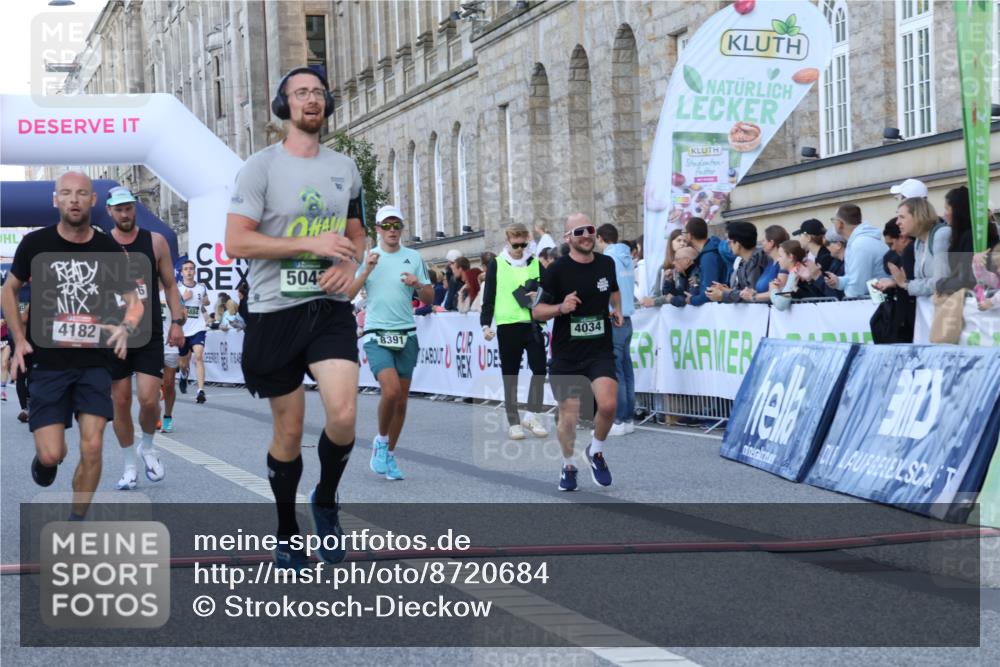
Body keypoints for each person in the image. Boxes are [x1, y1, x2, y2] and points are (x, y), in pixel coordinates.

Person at [225, 66, 367, 569]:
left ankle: (325, 500)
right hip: (273, 312)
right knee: (289, 432)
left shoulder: (345, 167)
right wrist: (309, 242)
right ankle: (287, 530)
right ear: (283, 106)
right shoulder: (259, 168)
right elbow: (236, 241)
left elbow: (357, 233)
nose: (311, 100)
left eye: (318, 93)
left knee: (344, 414)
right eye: (300, 93)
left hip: (328, 309)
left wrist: (349, 265)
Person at [1, 171, 142, 519]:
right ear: (56, 200)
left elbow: (134, 301)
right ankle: (46, 460)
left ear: (93, 200)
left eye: (82, 193)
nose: (74, 199)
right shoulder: (35, 244)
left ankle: (76, 522)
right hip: (47, 364)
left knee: (92, 445)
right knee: (53, 454)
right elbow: (8, 290)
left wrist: (127, 326)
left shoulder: (107, 247)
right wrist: (18, 340)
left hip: (94, 362)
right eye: (66, 193)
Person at [533, 213, 621, 492]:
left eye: (590, 229)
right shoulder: (557, 270)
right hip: (567, 356)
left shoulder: (607, 263)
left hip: (599, 350)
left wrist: (616, 308)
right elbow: (536, 312)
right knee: (569, 417)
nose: (586, 235)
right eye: (579, 231)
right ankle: (568, 464)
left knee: (607, 405)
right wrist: (560, 308)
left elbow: (614, 291)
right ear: (567, 238)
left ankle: (595, 452)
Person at [105, 186, 186, 491]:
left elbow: (170, 285)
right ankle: (129, 467)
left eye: (129, 208)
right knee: (121, 401)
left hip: (149, 331)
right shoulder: (101, 245)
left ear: (134, 209)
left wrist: (177, 321)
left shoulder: (155, 241)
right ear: (110, 212)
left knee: (150, 399)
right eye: (119, 209)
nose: (124, 214)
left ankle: (148, 446)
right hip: (114, 335)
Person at [347, 205, 433, 481]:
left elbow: (430, 298)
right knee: (392, 392)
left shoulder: (414, 257)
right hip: (377, 334)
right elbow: (348, 293)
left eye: (397, 225)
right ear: (378, 230)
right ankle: (381, 441)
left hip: (407, 333)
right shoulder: (369, 258)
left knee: (402, 402)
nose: (393, 230)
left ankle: (390, 454)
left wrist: (418, 283)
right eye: (387, 226)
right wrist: (366, 271)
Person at [480, 222, 549, 440]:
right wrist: (485, 325)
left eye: (523, 243)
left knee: (539, 369)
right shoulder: (497, 264)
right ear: (508, 240)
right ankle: (513, 421)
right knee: (510, 375)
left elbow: (549, 291)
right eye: (515, 244)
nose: (519, 248)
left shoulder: (536, 263)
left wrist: (538, 297)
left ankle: (532, 415)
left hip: (532, 324)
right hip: (508, 326)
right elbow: (488, 297)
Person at [595, 223, 636, 437]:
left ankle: (619, 418)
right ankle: (627, 417)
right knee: (626, 369)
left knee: (617, 371)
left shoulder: (608, 260)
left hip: (615, 317)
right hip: (627, 317)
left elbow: (609, 290)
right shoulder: (626, 257)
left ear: (601, 238)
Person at [874, 197, 950, 300]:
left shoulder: (941, 235)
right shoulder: (919, 242)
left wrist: (906, 284)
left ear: (917, 216)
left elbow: (941, 282)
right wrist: (900, 282)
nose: (897, 222)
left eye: (902, 217)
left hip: (947, 310)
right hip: (929, 310)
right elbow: (920, 280)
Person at [937, 186, 1000, 294]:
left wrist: (940, 284)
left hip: (981, 301)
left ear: (958, 210)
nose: (944, 214)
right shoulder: (965, 234)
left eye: (947, 208)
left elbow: (967, 279)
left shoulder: (972, 236)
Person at [824, 204, 888, 297]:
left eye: (833, 220)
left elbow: (857, 287)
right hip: (877, 301)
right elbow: (854, 278)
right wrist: (838, 281)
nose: (833, 224)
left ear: (840, 224)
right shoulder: (858, 241)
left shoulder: (860, 244)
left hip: (877, 304)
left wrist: (847, 303)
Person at [708, 221, 769, 303]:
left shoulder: (757, 259)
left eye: (729, 241)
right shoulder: (742, 262)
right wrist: (724, 290)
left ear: (738, 243)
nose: (728, 244)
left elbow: (749, 294)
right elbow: (741, 292)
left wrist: (722, 295)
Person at [176, 260, 210, 403]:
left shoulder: (201, 288)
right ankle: (184, 375)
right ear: (182, 272)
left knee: (198, 357)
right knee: (183, 363)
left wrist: (206, 303)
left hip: (198, 328)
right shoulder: (177, 288)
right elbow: (174, 307)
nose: (189, 271)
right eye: (186, 269)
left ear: (194, 271)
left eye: (191, 269)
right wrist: (183, 299)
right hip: (183, 330)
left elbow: (204, 303)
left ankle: (200, 391)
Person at [683, 217, 728, 304]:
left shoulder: (709, 257)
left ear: (690, 235)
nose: (683, 236)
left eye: (684, 233)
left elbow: (709, 293)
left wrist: (692, 300)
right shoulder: (707, 253)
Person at [158, 291, 179, 433]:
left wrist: (179, 320)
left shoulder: (172, 292)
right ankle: (153, 415)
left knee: (169, 384)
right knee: (150, 385)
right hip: (150, 345)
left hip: (169, 344)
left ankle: (167, 416)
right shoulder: (143, 288)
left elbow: (182, 316)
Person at [769, 240, 809, 311]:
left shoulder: (795, 273)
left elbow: (780, 304)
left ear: (790, 257)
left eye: (780, 256)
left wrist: (773, 289)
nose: (778, 260)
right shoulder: (797, 270)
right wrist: (780, 288)